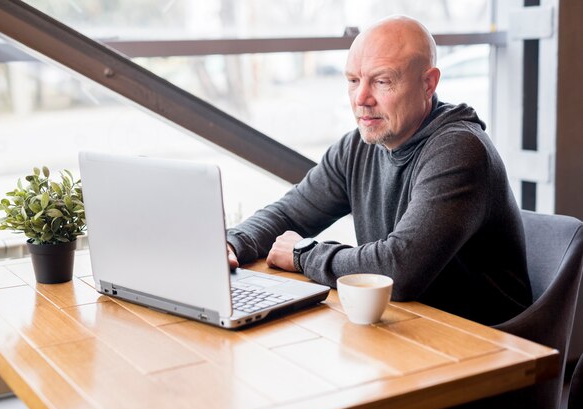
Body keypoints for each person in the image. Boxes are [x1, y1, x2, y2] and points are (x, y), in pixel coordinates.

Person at [226, 15, 532, 325]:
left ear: (428, 84)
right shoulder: (359, 147)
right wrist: (232, 244)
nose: (361, 98)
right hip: (404, 323)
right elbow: (289, 215)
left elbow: (399, 269)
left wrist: (303, 253)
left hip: (481, 340)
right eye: (353, 80)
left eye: (381, 81)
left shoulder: (459, 151)